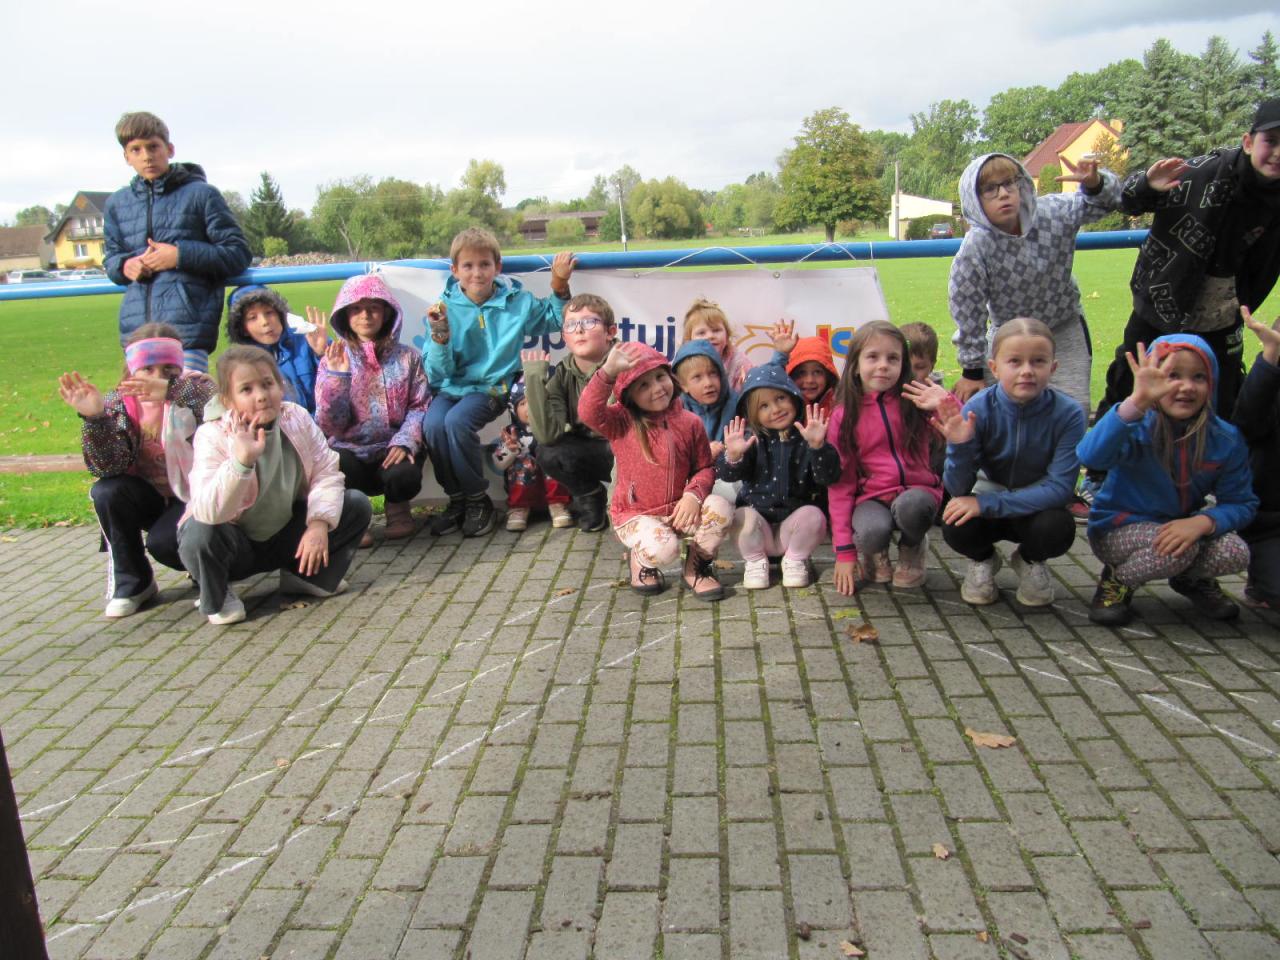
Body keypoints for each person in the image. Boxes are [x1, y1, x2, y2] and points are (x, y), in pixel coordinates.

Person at [1094, 99, 1280, 425]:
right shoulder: (1206, 172)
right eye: (1272, 141)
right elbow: (1127, 200)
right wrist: (1148, 184)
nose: (1278, 153)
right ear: (1249, 142)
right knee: (1129, 385)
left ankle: (1208, 458)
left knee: (1221, 400)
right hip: (1161, 304)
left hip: (1225, 314)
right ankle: (1104, 455)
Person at [178, 346, 372, 625]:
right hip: (235, 543)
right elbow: (209, 511)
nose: (261, 395)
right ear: (228, 400)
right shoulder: (212, 434)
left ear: (280, 386)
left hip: (282, 533)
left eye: (267, 384)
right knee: (199, 531)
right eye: (246, 389)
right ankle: (219, 593)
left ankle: (305, 577)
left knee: (355, 504)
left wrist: (318, 524)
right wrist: (241, 462)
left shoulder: (296, 417)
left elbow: (326, 471)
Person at [905, 318, 1085, 607]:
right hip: (987, 502)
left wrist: (987, 504)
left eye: (1038, 361)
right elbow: (957, 486)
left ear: (1053, 368)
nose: (1027, 371)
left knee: (1058, 527)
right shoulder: (978, 408)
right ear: (994, 367)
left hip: (1035, 507)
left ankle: (1029, 560)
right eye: (1015, 361)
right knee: (954, 519)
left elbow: (1060, 488)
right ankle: (983, 560)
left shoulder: (1069, 414)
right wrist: (959, 446)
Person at [1079, 335, 1257, 626]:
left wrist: (1203, 522)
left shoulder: (1225, 438)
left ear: (1212, 382)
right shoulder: (1134, 425)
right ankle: (1117, 580)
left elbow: (1242, 503)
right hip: (1117, 530)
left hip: (1179, 528)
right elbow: (1090, 456)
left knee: (1235, 552)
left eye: (1198, 377)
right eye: (1172, 376)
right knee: (1179, 551)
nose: (1187, 387)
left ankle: (1190, 579)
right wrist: (1136, 402)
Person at [423, 227, 575, 537]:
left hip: (491, 388)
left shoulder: (516, 302)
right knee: (433, 425)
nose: (477, 273)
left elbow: (554, 318)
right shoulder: (444, 308)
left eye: (484, 264)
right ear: (454, 270)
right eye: (468, 266)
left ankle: (477, 499)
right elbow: (437, 373)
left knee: (456, 423)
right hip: (450, 387)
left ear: (498, 267)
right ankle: (457, 499)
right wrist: (440, 338)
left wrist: (559, 284)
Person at [58, 324, 215, 617]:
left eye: (168, 370)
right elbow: (107, 467)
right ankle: (133, 583)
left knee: (165, 544)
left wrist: (171, 390)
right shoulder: (118, 403)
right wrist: (96, 419)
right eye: (148, 369)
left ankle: (206, 565)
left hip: (194, 497)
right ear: (132, 371)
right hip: (150, 497)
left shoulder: (196, 389)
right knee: (107, 491)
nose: (157, 377)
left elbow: (219, 408)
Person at [949, 152, 1121, 413]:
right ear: (975, 200)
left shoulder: (1053, 212)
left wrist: (1095, 184)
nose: (1003, 194)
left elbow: (1104, 204)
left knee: (1073, 409)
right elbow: (967, 307)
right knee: (1001, 413)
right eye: (990, 189)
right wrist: (972, 370)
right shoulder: (975, 248)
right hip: (1009, 335)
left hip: (1062, 329)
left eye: (1009, 183)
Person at [578, 341, 733, 601]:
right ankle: (641, 560)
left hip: (679, 512)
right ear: (629, 394)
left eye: (660, 377)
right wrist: (608, 373)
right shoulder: (620, 422)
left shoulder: (690, 422)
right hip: (634, 516)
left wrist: (693, 496)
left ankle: (696, 567)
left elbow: (704, 468)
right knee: (664, 550)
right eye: (643, 385)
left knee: (721, 509)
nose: (658, 388)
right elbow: (588, 411)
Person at [103, 112, 251, 374]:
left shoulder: (202, 195)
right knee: (141, 402)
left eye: (153, 147)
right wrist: (125, 266)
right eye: (136, 149)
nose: (146, 156)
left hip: (187, 335)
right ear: (126, 157)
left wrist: (179, 256)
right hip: (138, 337)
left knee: (189, 401)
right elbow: (112, 259)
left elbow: (237, 253)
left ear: (169, 149)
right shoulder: (117, 204)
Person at [827, 320, 941, 596]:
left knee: (914, 507)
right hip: (872, 497)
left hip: (918, 492)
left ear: (904, 364)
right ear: (855, 365)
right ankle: (875, 553)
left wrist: (945, 404)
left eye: (892, 358)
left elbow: (962, 429)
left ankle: (912, 546)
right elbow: (840, 485)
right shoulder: (844, 415)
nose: (883, 366)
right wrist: (844, 552)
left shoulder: (916, 401)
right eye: (873, 357)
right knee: (870, 532)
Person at [316, 275, 430, 545]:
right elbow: (329, 425)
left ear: (387, 313)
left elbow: (420, 405)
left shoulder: (408, 357)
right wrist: (337, 378)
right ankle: (354, 519)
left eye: (373, 308)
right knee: (335, 462)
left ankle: (398, 509)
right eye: (356, 309)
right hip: (350, 450)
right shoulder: (334, 358)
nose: (365, 316)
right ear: (344, 315)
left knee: (404, 471)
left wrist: (405, 441)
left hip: (391, 449)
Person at [716, 364, 840, 589]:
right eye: (764, 406)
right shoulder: (751, 440)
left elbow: (828, 478)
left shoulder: (807, 436)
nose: (775, 409)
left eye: (781, 398)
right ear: (753, 414)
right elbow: (728, 475)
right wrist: (733, 456)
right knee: (740, 516)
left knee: (815, 516)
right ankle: (755, 562)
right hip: (758, 528)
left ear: (793, 396)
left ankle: (795, 560)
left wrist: (818, 447)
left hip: (793, 528)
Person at [521, 293, 616, 533]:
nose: (580, 330)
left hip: (628, 450)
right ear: (564, 337)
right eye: (571, 325)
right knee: (548, 452)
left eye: (589, 322)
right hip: (593, 449)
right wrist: (534, 380)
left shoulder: (625, 361)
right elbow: (547, 435)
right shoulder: (563, 372)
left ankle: (626, 506)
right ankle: (590, 494)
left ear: (610, 332)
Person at [1231, 307, 1280, 609]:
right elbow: (1246, 423)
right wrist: (1269, 357)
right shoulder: (1269, 395)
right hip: (1270, 527)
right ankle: (1261, 581)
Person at [225, 285, 326, 415]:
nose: (265, 322)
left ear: (281, 315)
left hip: (322, 422)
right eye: (252, 317)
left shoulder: (307, 339)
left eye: (269, 313)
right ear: (243, 329)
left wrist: (322, 354)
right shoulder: (243, 363)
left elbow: (338, 388)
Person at [492, 378, 572, 532]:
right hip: (523, 491)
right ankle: (518, 509)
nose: (529, 407)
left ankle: (558, 505)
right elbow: (498, 463)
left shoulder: (554, 428)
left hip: (555, 492)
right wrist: (509, 449)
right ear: (514, 410)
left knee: (554, 455)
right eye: (522, 403)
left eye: (534, 401)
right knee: (524, 462)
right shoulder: (511, 432)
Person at [761, 320, 841, 418]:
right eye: (801, 373)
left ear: (828, 375)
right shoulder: (783, 408)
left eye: (817, 372)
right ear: (790, 375)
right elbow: (769, 385)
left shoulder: (840, 408)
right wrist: (780, 355)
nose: (810, 380)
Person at [683, 298, 752, 391]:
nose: (710, 336)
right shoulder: (685, 365)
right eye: (701, 333)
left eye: (716, 330)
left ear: (727, 336)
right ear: (689, 341)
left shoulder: (739, 362)